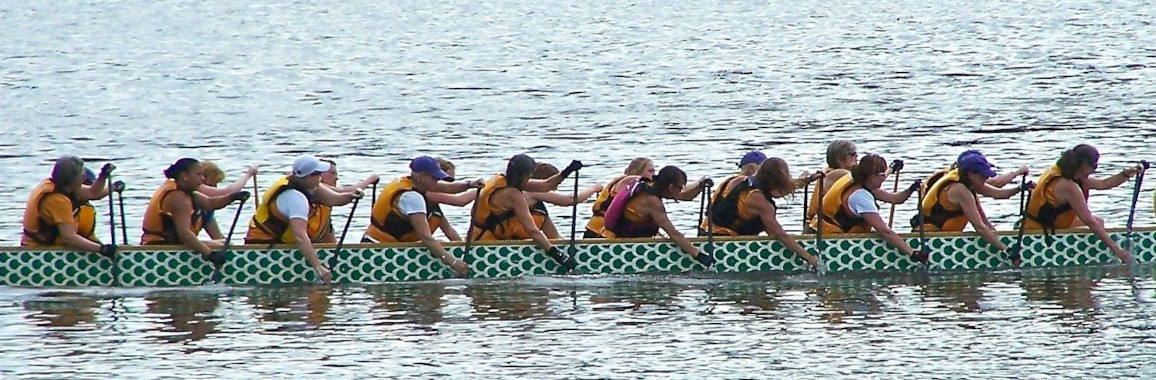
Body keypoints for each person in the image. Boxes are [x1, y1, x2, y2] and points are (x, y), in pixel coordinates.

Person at [245, 156, 364, 283]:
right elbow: (300, 237)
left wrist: (352, 196)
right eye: (318, 174)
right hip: (264, 250)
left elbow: (337, 199)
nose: (321, 177)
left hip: (280, 244)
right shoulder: (295, 199)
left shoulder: (302, 183)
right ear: (308, 177)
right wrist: (319, 267)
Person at [363, 156, 484, 276]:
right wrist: (453, 263)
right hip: (379, 251)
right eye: (434, 177)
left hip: (386, 246)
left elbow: (449, 187)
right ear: (421, 176)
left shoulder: (410, 182)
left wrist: (470, 184)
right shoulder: (412, 198)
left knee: (440, 242)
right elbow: (426, 238)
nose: (437, 181)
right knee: (436, 244)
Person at [1024, 144, 1144, 261]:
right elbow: (1089, 221)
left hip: (1043, 221)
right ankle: (1093, 254)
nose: (1094, 171)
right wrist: (1117, 250)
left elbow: (1104, 184)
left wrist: (1127, 173)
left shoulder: (1064, 172)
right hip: (1038, 230)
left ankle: (1098, 248)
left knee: (1099, 222)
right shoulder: (1068, 186)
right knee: (1096, 223)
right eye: (1094, 167)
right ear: (1084, 164)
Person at [469, 154, 582, 269]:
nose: (531, 177)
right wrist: (559, 256)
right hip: (484, 246)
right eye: (530, 175)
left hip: (477, 238)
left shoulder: (504, 180)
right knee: (538, 210)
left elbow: (546, 185)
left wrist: (568, 171)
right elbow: (533, 231)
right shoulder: (513, 195)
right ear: (524, 175)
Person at [704, 158, 822, 267]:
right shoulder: (759, 201)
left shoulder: (741, 180)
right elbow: (781, 235)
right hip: (722, 243)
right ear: (777, 180)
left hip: (705, 232)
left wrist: (809, 179)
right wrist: (809, 258)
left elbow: (784, 187)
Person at [811, 154, 928, 263]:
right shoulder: (861, 197)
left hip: (818, 229)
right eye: (881, 176)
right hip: (832, 241)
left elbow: (895, 199)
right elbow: (884, 231)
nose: (884, 178)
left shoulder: (858, 181)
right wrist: (913, 253)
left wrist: (911, 189)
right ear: (872, 176)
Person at [914, 151, 1033, 254]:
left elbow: (999, 194)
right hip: (931, 241)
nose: (986, 179)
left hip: (944, 238)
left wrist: (1019, 188)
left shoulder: (969, 182)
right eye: (983, 176)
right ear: (971, 175)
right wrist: (1006, 250)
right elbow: (979, 227)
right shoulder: (960, 190)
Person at [140, 158, 249, 265]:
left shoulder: (186, 192)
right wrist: (210, 255)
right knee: (221, 245)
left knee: (222, 243)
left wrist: (233, 197)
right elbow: (185, 234)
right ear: (184, 176)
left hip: (171, 244)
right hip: (161, 248)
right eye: (198, 174)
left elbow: (210, 203)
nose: (202, 179)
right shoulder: (178, 198)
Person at [602, 166, 715, 266]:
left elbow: (686, 196)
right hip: (620, 245)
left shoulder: (653, 187)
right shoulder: (652, 201)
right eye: (680, 187)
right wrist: (699, 255)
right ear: (671, 187)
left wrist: (700, 187)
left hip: (628, 239)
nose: (681, 190)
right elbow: (674, 234)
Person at [585, 158, 710, 238]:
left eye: (654, 171)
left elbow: (681, 194)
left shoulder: (643, 189)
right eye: (650, 171)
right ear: (637, 171)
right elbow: (680, 191)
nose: (654, 175)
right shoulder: (631, 180)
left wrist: (699, 185)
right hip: (599, 232)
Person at [22, 156, 118, 257]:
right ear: (73, 180)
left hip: (51, 248)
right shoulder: (57, 200)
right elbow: (69, 238)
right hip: (39, 253)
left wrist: (104, 178)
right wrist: (102, 249)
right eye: (82, 175)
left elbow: (93, 193)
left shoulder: (60, 186)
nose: (85, 177)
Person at [523, 162, 603, 239]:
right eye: (556, 183)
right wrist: (594, 189)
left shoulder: (538, 205)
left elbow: (554, 237)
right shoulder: (531, 191)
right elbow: (570, 200)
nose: (556, 188)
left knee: (540, 211)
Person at [316, 158, 380, 243]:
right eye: (332, 173)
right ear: (317, 175)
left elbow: (329, 238)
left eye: (336, 174)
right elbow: (345, 192)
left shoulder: (326, 204)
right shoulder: (314, 187)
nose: (336, 178)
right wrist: (371, 179)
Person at [805, 141, 859, 232]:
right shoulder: (841, 174)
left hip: (814, 225)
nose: (857, 157)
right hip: (823, 229)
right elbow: (868, 184)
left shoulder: (827, 172)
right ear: (840, 159)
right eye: (853, 154)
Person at [198, 161, 259, 240]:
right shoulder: (196, 188)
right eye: (213, 183)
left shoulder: (207, 211)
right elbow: (227, 193)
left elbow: (218, 238)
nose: (215, 187)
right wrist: (248, 174)